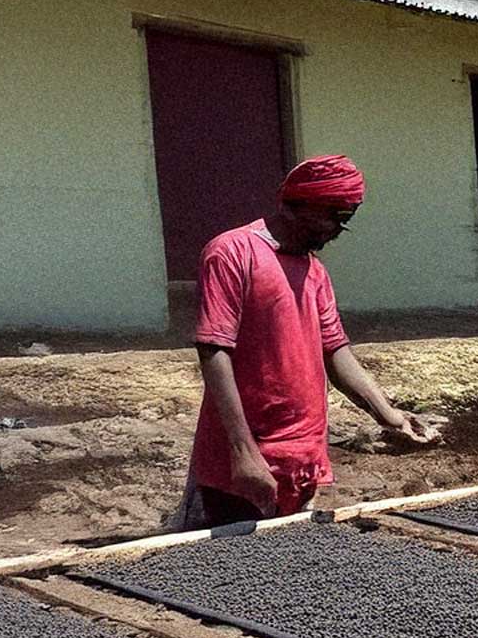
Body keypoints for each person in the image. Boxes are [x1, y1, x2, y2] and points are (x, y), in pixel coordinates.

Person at [175, 155, 434, 529]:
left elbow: (335, 351)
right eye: (334, 217)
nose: (338, 230)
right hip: (248, 457)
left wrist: (389, 414)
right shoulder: (233, 252)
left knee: (288, 564)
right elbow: (214, 349)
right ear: (297, 206)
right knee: (229, 566)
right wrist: (243, 453)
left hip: (301, 455)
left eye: (346, 220)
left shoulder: (315, 272)